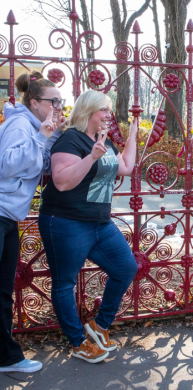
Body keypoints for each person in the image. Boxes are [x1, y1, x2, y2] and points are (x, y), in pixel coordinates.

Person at [38, 90, 138, 364]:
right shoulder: (71, 140)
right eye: (103, 110)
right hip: (66, 222)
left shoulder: (101, 139)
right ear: (88, 111)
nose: (109, 114)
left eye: (109, 110)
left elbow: (126, 167)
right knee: (64, 284)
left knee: (126, 268)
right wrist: (92, 157)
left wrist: (133, 136)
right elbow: (61, 181)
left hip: (99, 223)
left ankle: (99, 326)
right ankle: (78, 342)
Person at [0, 71, 66, 373]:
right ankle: (9, 357)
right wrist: (42, 137)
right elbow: (6, 164)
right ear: (35, 102)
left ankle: (6, 358)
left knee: (3, 290)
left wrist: (52, 137)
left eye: (61, 102)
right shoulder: (18, 125)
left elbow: (40, 164)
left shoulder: (36, 126)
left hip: (8, 216)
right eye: (54, 102)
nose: (58, 106)